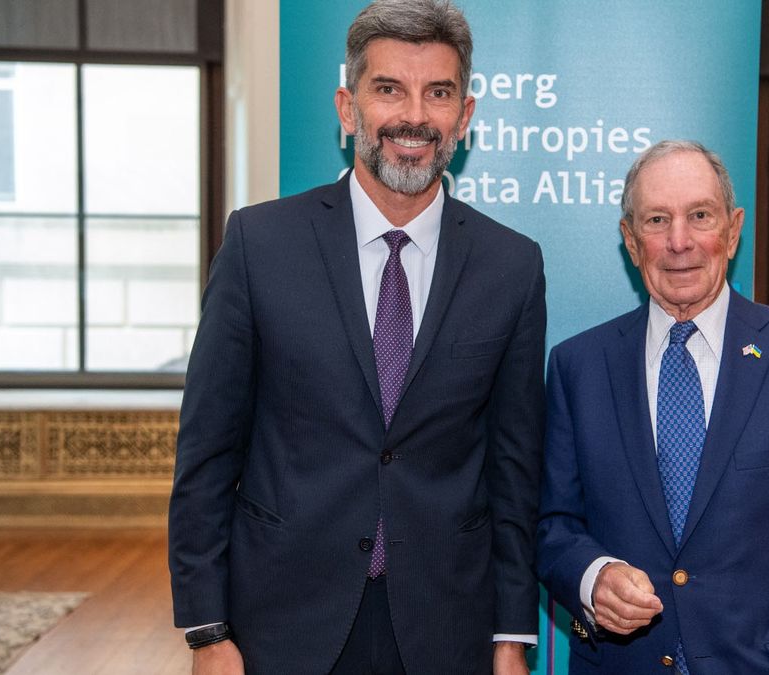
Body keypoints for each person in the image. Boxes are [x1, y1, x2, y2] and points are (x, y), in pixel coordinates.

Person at [168, 1, 545, 673]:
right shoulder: (260, 243)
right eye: (388, 89)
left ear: (466, 114)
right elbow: (206, 451)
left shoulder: (511, 266)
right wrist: (206, 629)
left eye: (439, 92)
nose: (415, 116)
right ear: (348, 109)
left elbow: (513, 474)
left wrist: (510, 636)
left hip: (446, 625)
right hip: (281, 623)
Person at [535, 140, 769, 674]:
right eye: (657, 220)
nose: (679, 242)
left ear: (732, 231)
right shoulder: (578, 366)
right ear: (631, 242)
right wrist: (593, 576)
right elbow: (553, 524)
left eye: (699, 216)